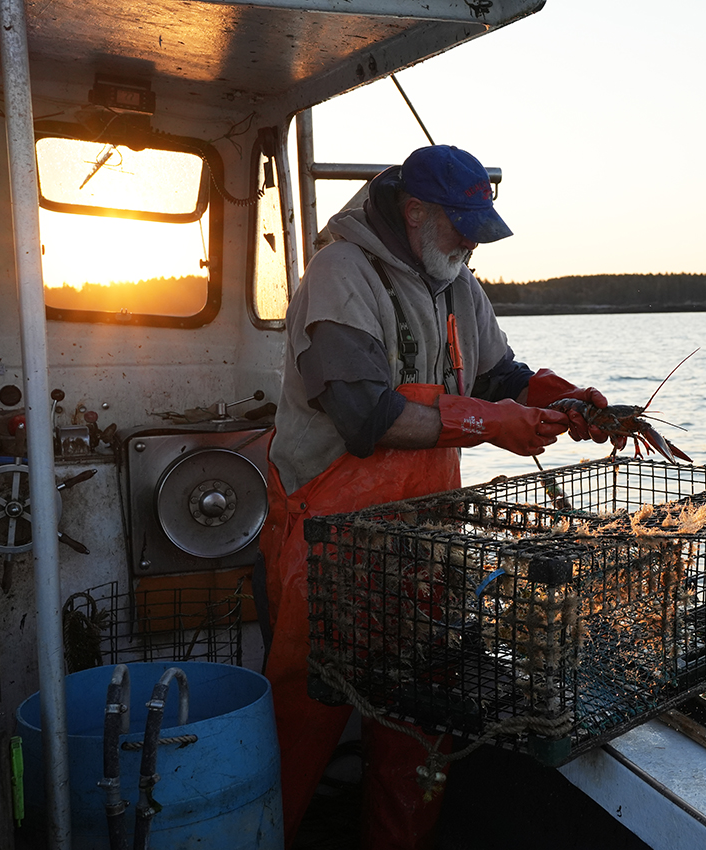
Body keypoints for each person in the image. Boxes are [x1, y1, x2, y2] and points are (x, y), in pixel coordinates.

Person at [260, 144, 609, 849]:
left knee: (419, 722)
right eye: (462, 228)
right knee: (303, 721)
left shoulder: (456, 282)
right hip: (326, 543)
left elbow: (498, 375)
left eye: (480, 230)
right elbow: (363, 417)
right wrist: (485, 425)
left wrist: (561, 398)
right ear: (415, 212)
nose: (472, 244)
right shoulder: (339, 275)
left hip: (422, 541)